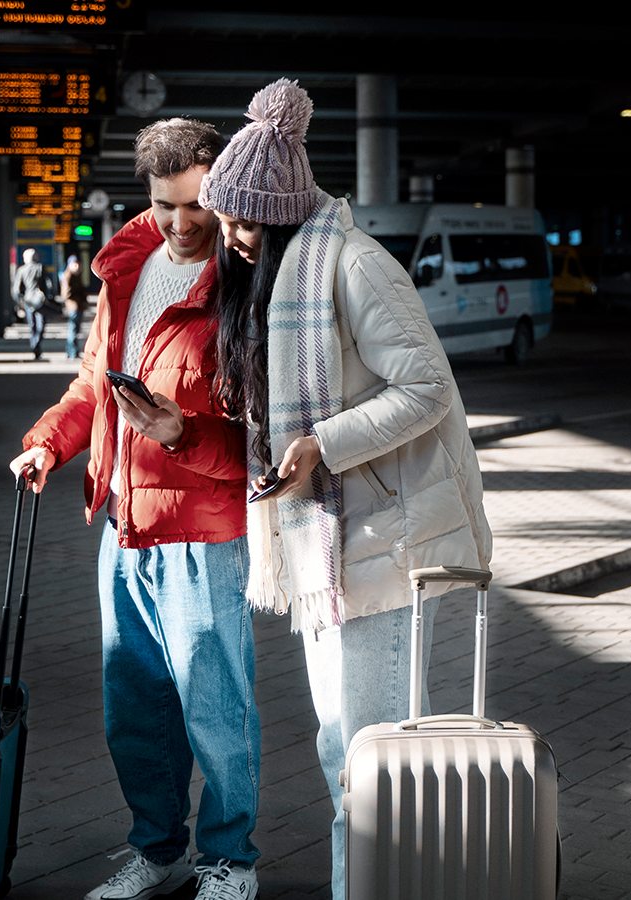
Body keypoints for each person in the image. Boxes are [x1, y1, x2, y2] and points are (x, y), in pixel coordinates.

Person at [200, 79, 492, 900]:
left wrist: (320, 444)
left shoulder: (357, 265)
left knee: (372, 762)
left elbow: (426, 390)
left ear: (284, 212)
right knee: (353, 754)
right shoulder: (284, 275)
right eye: (226, 219)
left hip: (385, 546)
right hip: (335, 546)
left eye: (244, 219)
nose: (233, 237)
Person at [9, 118, 261, 900]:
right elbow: (93, 385)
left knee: (215, 710)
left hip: (206, 535)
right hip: (123, 529)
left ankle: (230, 861)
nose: (182, 224)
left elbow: (263, 436)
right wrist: (48, 445)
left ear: (219, 195)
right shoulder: (126, 271)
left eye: (196, 206)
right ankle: (159, 852)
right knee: (135, 711)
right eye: (165, 206)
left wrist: (184, 431)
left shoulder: (246, 285)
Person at [13, 248, 53, 360]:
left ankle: (34, 344)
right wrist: (49, 296)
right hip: (40, 300)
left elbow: (17, 289)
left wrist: (20, 300)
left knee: (32, 324)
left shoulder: (21, 270)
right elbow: (48, 284)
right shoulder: (40, 267)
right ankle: (37, 344)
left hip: (28, 300)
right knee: (41, 324)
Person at [60, 254, 89, 359]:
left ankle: (70, 351)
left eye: (77, 264)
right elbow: (66, 293)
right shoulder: (68, 275)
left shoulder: (77, 275)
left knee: (75, 329)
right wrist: (76, 299)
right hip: (73, 306)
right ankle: (72, 351)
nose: (76, 266)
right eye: (74, 264)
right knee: (73, 329)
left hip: (78, 305)